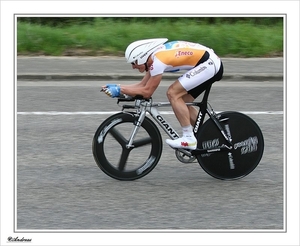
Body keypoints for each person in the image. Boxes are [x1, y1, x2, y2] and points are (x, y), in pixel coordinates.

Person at [102, 38, 223, 150]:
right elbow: (142, 85)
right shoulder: (154, 59)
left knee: (173, 93)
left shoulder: (158, 61)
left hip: (209, 64)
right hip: (208, 62)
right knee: (183, 102)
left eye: (134, 63)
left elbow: (147, 92)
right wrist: (118, 87)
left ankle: (189, 138)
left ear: (141, 58)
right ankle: (210, 136)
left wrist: (119, 90)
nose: (133, 67)